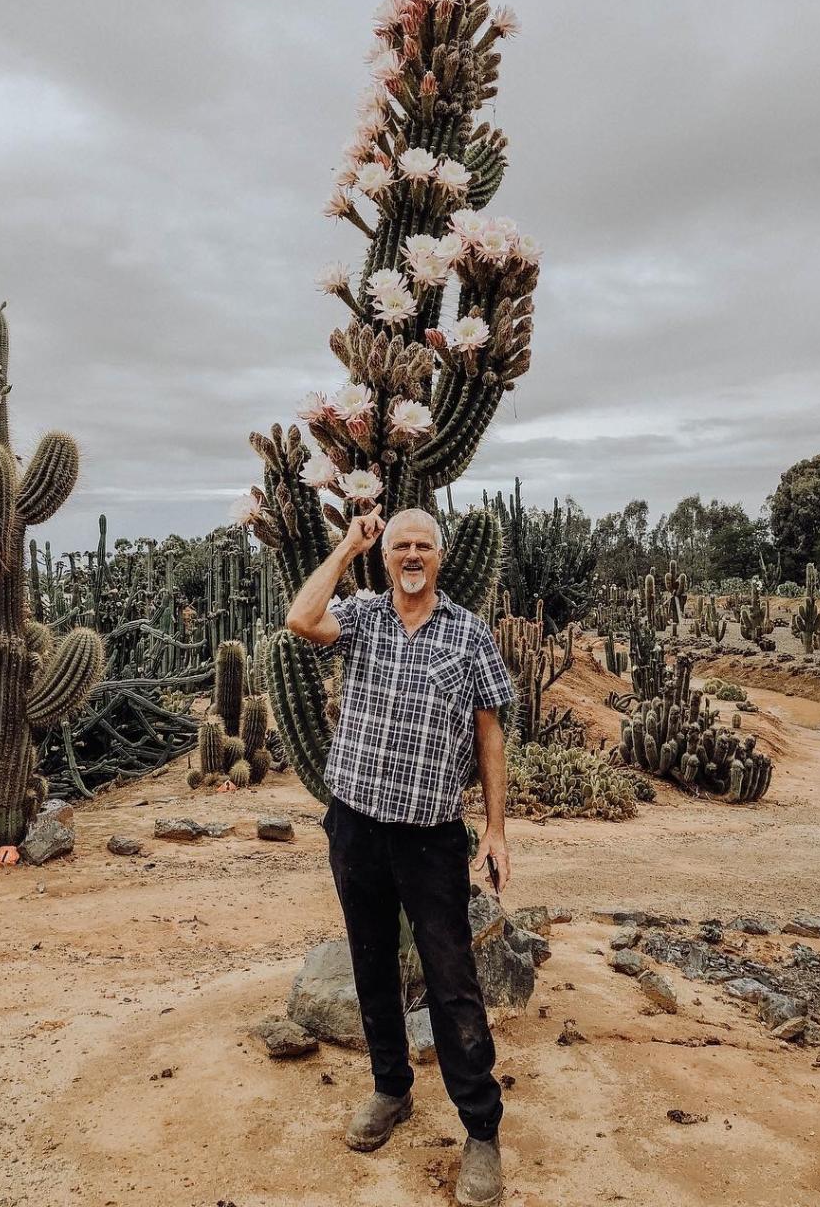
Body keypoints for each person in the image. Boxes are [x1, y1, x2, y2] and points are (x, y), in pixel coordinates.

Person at [286, 503, 514, 1207]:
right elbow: (300, 619)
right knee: (371, 963)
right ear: (387, 557)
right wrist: (349, 546)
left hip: (430, 836)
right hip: (355, 825)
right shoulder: (360, 615)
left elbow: (490, 736)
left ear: (440, 557)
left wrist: (498, 830)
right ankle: (391, 1089)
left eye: (423, 545)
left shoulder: (469, 634)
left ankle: (480, 1129)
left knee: (452, 981)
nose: (412, 554)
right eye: (400, 546)